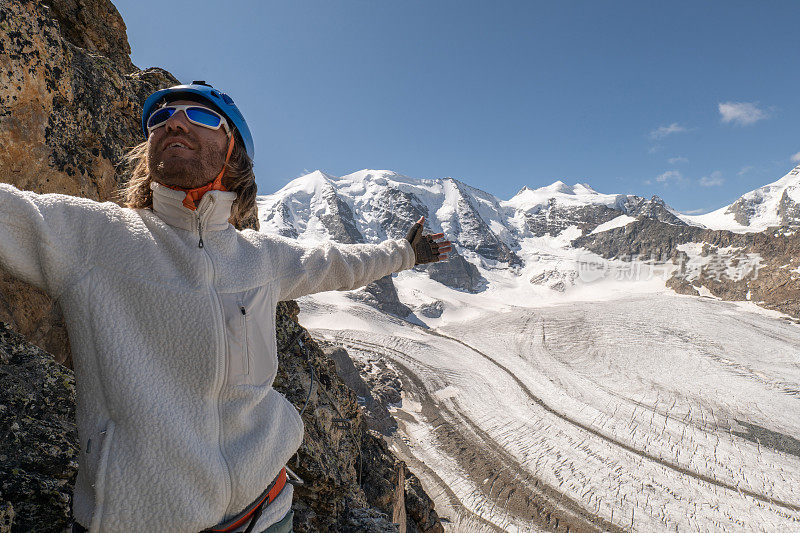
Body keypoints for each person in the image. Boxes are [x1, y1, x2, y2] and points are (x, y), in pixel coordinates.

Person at [0, 81, 450, 532]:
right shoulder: (94, 237)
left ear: (233, 153)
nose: (174, 120)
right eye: (162, 117)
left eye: (201, 115)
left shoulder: (259, 258)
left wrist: (407, 253)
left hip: (269, 510)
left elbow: (335, 263)